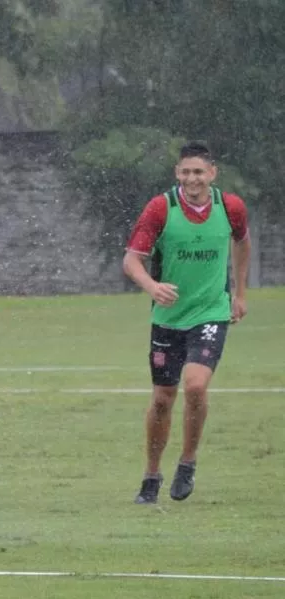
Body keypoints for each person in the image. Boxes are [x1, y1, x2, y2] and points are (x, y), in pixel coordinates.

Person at [124, 141, 250, 505]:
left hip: (211, 311)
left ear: (213, 173)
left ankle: (188, 462)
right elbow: (132, 260)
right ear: (177, 174)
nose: (192, 179)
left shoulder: (231, 207)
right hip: (167, 317)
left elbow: (243, 243)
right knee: (163, 399)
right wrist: (151, 285)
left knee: (195, 386)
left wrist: (239, 294)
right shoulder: (161, 208)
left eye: (199, 172)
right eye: (185, 172)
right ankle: (151, 475)